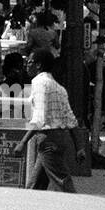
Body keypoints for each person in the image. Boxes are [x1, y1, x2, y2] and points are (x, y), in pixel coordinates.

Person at [14, 49, 85, 192]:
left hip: (48, 140)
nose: (27, 65)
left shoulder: (39, 83)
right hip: (59, 139)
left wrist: (22, 142)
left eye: (29, 62)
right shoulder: (59, 88)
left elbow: (39, 118)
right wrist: (79, 148)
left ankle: (78, 206)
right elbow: (71, 120)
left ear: (38, 65)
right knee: (36, 184)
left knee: (62, 183)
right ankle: (29, 209)